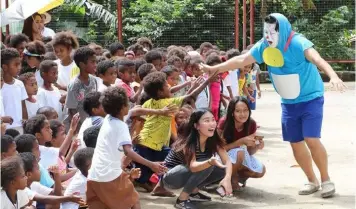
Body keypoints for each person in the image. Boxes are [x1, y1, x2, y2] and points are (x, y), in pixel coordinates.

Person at [200, 13, 346, 198]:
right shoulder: (263, 46)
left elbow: (317, 59)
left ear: (283, 29)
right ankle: (312, 180)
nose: (268, 35)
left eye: (272, 31)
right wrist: (214, 68)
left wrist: (332, 75)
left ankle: (326, 180)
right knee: (295, 143)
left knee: (311, 138)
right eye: (266, 30)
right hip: (288, 101)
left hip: (310, 98)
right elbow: (241, 60)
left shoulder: (298, 42)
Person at [135, 71, 216, 191]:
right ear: (160, 92)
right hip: (149, 144)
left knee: (169, 161)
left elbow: (138, 112)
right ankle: (145, 183)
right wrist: (207, 81)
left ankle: (159, 187)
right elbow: (190, 97)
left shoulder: (150, 101)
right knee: (148, 170)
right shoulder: (167, 103)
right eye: (166, 85)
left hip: (150, 142)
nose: (169, 87)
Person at [87, 87, 166, 209]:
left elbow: (135, 111)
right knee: (133, 200)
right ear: (123, 107)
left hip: (94, 175)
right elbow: (128, 151)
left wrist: (160, 112)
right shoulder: (121, 126)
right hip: (109, 175)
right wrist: (151, 164)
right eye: (127, 103)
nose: (130, 105)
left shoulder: (109, 118)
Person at [160, 109, 233, 209]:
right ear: (196, 126)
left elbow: (227, 161)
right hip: (170, 178)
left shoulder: (212, 140)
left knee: (222, 169)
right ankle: (181, 200)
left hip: (187, 172)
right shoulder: (188, 142)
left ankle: (193, 192)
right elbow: (193, 167)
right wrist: (209, 162)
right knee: (208, 165)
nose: (212, 124)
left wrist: (227, 179)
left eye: (213, 120)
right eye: (206, 121)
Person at [218, 96, 265, 190]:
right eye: (238, 111)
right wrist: (240, 142)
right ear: (232, 112)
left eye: (245, 110)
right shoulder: (224, 122)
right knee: (239, 152)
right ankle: (231, 180)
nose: (243, 114)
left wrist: (257, 146)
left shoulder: (251, 124)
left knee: (261, 170)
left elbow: (249, 152)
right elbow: (218, 149)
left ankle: (237, 177)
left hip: (239, 156)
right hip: (221, 156)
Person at [65, 47, 98, 131]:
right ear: (82, 64)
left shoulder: (93, 80)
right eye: (92, 62)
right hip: (80, 127)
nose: (95, 65)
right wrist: (77, 130)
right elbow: (71, 110)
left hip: (92, 124)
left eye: (95, 62)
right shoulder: (75, 85)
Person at [1, 48, 28, 131]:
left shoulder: (19, 84)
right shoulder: (1, 86)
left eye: (20, 64)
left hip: (19, 126)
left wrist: (25, 120)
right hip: (4, 128)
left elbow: (23, 105)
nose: (19, 67)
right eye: (16, 65)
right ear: (5, 67)